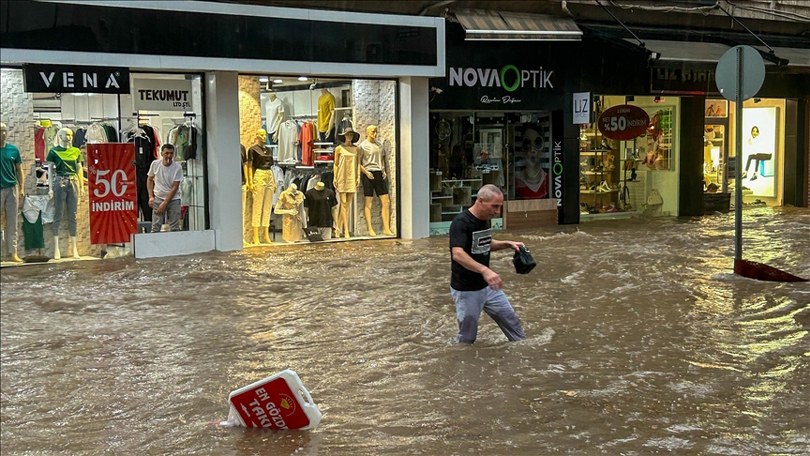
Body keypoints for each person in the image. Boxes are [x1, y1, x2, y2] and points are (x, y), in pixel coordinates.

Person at [449, 184, 526, 343]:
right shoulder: (461, 222)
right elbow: (457, 254)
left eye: (499, 207)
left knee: (514, 325)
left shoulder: (485, 219)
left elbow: (484, 243)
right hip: (467, 290)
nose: (497, 211)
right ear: (481, 201)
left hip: (489, 287)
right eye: (494, 206)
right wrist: (485, 270)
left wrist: (507, 244)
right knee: (467, 338)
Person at [47, 127, 85, 259]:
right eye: (65, 134)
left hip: (73, 180)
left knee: (73, 215)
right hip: (59, 181)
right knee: (58, 213)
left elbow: (79, 169)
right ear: (60, 135)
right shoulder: (53, 151)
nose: (67, 137)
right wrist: (50, 188)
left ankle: (74, 248)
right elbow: (50, 171)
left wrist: (81, 187)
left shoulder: (76, 151)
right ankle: (56, 248)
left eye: (70, 135)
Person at [357, 125, 394, 236]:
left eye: (376, 131)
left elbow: (382, 160)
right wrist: (366, 172)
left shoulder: (379, 145)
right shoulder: (362, 146)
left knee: (386, 201)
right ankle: (370, 228)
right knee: (369, 202)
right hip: (368, 173)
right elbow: (358, 163)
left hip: (379, 173)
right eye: (373, 132)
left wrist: (383, 170)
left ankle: (386, 228)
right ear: (367, 132)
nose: (375, 134)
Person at [246, 129, 277, 244]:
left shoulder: (268, 150)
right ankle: (255, 236)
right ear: (257, 135)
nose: (264, 137)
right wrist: (250, 181)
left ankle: (265, 234)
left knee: (268, 206)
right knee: (257, 205)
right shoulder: (252, 150)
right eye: (261, 135)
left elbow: (271, 167)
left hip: (269, 174)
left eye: (264, 134)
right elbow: (249, 166)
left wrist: (273, 181)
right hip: (259, 174)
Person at [1, 122, 24, 262]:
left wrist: (22, 188)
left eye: (4, 131)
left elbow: (19, 170)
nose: (2, 134)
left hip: (11, 188)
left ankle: (13, 253)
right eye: (0, 131)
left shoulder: (13, 150)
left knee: (12, 221)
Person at [147, 144, 183, 232]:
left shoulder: (177, 167)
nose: (169, 156)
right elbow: (150, 179)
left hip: (173, 199)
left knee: (174, 226)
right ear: (162, 153)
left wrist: (165, 203)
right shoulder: (155, 164)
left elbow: (175, 187)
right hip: (158, 197)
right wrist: (151, 196)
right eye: (166, 153)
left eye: (171, 153)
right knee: (155, 226)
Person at [333, 126, 361, 239]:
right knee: (343, 204)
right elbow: (335, 164)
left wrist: (358, 176)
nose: (349, 136)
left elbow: (358, 163)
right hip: (341, 176)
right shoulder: (339, 149)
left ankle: (338, 228)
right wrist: (334, 177)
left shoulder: (356, 149)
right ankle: (346, 230)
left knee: (347, 205)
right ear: (344, 136)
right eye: (348, 134)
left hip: (352, 177)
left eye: (351, 135)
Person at [514, 127, 549, 199]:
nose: (532, 150)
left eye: (537, 143)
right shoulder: (516, 181)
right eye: (527, 143)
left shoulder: (549, 181)